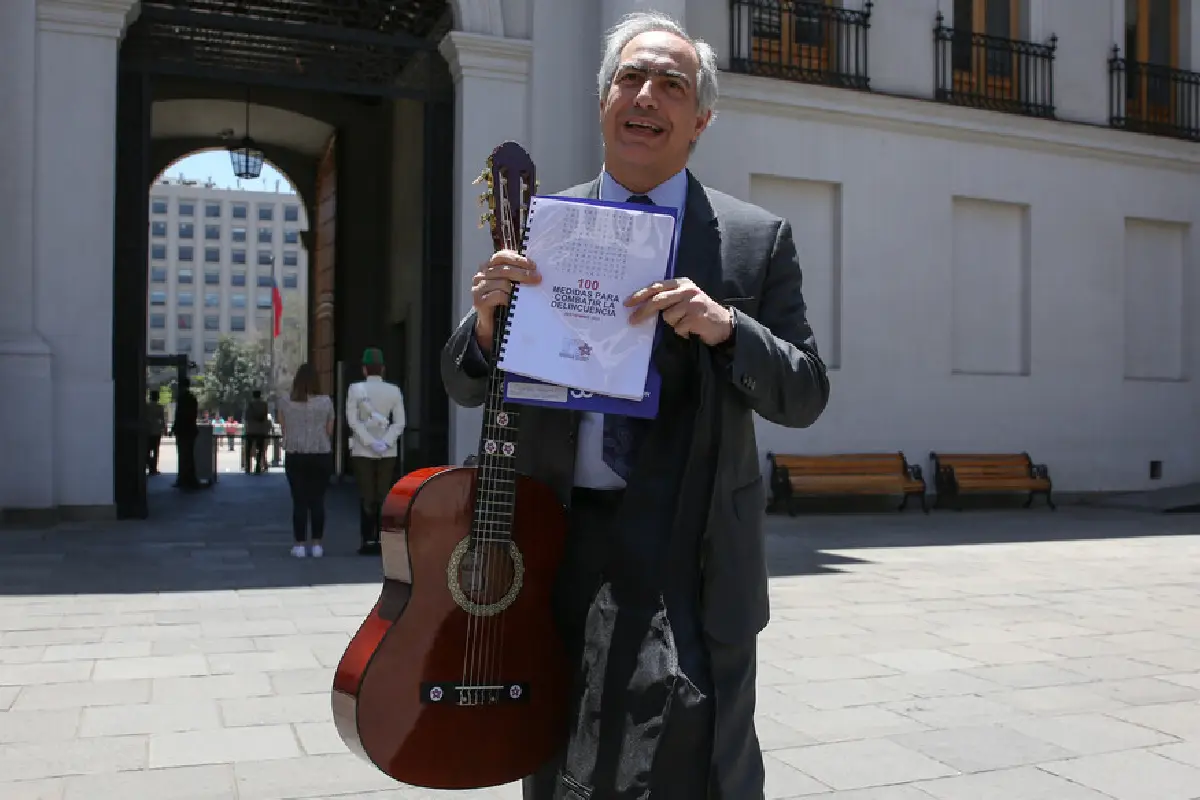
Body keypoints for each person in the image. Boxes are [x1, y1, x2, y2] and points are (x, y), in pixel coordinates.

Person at [441, 11, 830, 799]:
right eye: (630, 78)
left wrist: (728, 328)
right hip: (561, 536)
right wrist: (485, 326)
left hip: (692, 547)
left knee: (693, 757)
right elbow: (465, 381)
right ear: (604, 102)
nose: (646, 96)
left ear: (700, 120)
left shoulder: (754, 240)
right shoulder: (545, 226)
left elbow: (805, 390)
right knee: (560, 751)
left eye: (671, 84)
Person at [346, 347, 406, 556]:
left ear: (364, 369)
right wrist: (385, 442)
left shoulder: (355, 389)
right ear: (382, 369)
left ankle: (367, 540)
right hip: (387, 451)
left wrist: (370, 442)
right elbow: (399, 422)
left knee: (366, 495)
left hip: (363, 450)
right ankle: (383, 541)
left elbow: (353, 421)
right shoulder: (394, 391)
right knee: (384, 495)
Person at [277, 363, 335, 558]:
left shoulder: (285, 402)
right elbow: (329, 430)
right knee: (318, 500)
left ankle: (299, 545)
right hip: (321, 454)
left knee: (299, 501)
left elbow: (283, 429)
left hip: (296, 454)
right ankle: (317, 545)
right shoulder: (326, 402)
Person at [171, 377, 201, 489]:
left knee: (183, 456)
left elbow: (179, 415)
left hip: (183, 430)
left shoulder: (182, 399)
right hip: (191, 430)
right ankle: (190, 479)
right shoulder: (192, 398)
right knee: (189, 455)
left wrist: (174, 428)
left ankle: (183, 479)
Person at [244, 390, 270, 473]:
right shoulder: (264, 404)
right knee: (260, 449)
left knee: (248, 449)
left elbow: (246, 417)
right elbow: (265, 416)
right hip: (261, 430)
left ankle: (248, 467)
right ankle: (258, 466)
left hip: (251, 430)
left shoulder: (250, 404)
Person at [145, 388, 165, 475]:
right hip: (156, 431)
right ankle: (154, 468)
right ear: (157, 397)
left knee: (147, 450)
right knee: (156, 450)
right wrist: (164, 428)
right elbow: (162, 419)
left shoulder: (146, 406)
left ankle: (148, 465)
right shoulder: (159, 407)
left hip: (147, 430)